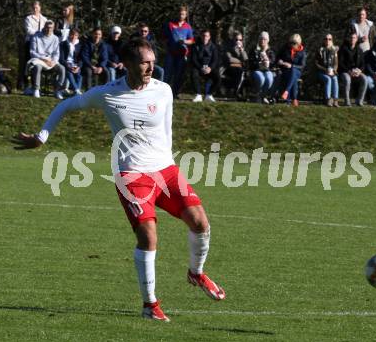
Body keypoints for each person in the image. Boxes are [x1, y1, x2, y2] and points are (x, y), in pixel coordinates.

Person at [13, 38, 226, 322]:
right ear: (127, 64)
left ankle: (196, 273)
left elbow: (166, 129)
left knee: (201, 222)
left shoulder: (164, 90)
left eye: (153, 60)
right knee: (148, 237)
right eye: (144, 62)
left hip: (166, 171)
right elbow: (66, 105)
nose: (151, 66)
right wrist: (42, 137)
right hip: (132, 175)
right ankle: (150, 304)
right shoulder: (107, 93)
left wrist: (168, 162)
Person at [27, 20, 65, 99]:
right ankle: (36, 89)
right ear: (44, 27)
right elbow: (32, 52)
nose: (48, 29)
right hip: (38, 59)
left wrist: (53, 61)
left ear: (53, 28)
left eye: (50, 28)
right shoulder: (36, 37)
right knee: (37, 67)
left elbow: (56, 53)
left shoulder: (55, 38)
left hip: (51, 61)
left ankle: (58, 90)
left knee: (62, 69)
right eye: (47, 27)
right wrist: (44, 59)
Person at [163, 6, 195, 98]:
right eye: (180, 13)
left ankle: (175, 93)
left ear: (186, 15)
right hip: (171, 53)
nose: (181, 15)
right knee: (167, 74)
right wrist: (166, 48)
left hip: (182, 54)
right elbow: (164, 38)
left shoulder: (188, 27)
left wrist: (185, 41)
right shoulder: (170, 24)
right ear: (177, 14)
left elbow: (192, 40)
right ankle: (164, 93)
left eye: (183, 14)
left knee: (179, 75)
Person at [18, 1, 47, 90]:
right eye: (34, 7)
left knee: (38, 63)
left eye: (37, 7)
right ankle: (25, 84)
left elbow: (46, 30)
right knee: (28, 63)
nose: (35, 9)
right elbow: (29, 30)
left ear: (40, 8)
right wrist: (39, 33)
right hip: (30, 42)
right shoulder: (28, 18)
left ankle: (36, 84)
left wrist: (42, 34)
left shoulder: (44, 19)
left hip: (41, 44)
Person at [274, 34, 306, 107]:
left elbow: (302, 66)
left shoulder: (302, 52)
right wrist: (280, 61)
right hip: (285, 70)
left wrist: (292, 66)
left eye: (294, 43)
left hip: (298, 71)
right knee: (292, 77)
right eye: (290, 42)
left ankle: (287, 93)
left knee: (293, 71)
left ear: (299, 44)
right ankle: (294, 99)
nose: (291, 44)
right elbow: (277, 58)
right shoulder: (285, 48)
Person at [338, 32, 367, 106]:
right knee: (347, 79)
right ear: (348, 39)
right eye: (351, 37)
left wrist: (360, 70)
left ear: (357, 39)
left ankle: (359, 101)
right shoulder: (343, 49)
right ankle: (347, 101)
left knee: (365, 79)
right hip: (345, 71)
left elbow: (363, 63)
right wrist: (349, 71)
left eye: (354, 38)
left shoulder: (359, 49)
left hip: (356, 71)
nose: (352, 39)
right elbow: (340, 63)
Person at [190, 30, 220, 102]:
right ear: (201, 36)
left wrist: (210, 68)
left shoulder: (213, 47)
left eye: (206, 36)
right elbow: (194, 59)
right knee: (193, 74)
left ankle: (209, 95)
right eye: (203, 35)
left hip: (209, 68)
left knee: (218, 78)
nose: (205, 37)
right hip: (199, 67)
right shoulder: (195, 46)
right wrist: (200, 68)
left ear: (209, 37)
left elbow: (215, 60)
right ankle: (198, 94)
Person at [248, 31, 275, 104]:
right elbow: (250, 62)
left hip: (267, 70)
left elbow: (273, 62)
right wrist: (259, 64)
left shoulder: (271, 51)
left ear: (268, 40)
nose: (262, 41)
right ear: (258, 40)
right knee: (261, 78)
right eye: (261, 39)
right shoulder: (254, 50)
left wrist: (268, 63)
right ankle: (259, 96)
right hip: (256, 70)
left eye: (265, 39)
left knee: (269, 79)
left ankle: (262, 96)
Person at [316, 34, 339, 107]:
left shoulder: (334, 50)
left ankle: (335, 100)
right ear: (323, 40)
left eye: (329, 39)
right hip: (322, 72)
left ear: (332, 40)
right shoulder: (320, 50)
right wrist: (325, 70)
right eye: (326, 39)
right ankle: (328, 99)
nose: (327, 41)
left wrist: (334, 70)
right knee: (328, 79)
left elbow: (336, 63)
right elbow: (316, 64)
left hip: (331, 72)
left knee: (335, 78)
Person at [224, 31, 249, 97]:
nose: (238, 41)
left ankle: (239, 92)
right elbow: (230, 59)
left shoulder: (242, 48)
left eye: (240, 40)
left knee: (243, 73)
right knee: (239, 72)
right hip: (229, 67)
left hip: (240, 67)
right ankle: (236, 92)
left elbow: (246, 59)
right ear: (233, 39)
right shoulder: (228, 46)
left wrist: (241, 50)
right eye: (236, 39)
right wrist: (241, 61)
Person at [59, 28, 83, 95]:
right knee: (69, 73)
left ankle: (76, 91)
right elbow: (61, 59)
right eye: (72, 35)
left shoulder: (79, 45)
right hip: (66, 63)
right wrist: (69, 66)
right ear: (69, 35)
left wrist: (78, 66)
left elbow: (81, 59)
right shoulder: (63, 44)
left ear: (77, 36)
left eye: (75, 35)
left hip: (75, 64)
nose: (73, 37)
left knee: (79, 75)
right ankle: (76, 90)